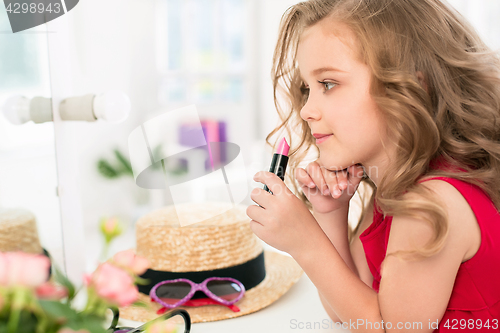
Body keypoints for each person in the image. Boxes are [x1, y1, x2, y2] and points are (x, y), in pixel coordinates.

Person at [246, 0, 500, 331]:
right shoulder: (391, 189)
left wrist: (305, 243)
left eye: (328, 84)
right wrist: (329, 215)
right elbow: (346, 309)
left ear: (414, 88)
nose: (307, 109)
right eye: (308, 89)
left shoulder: (430, 204)